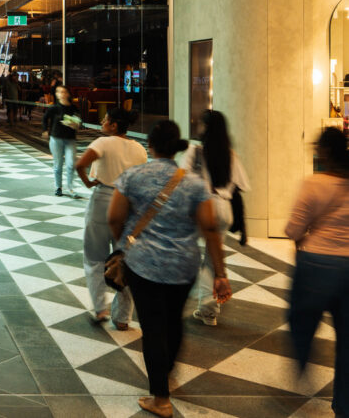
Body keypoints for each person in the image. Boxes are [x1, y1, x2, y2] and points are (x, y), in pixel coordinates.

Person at [107, 120, 232, 418]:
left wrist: (125, 243)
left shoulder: (132, 176)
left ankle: (160, 398)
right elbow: (210, 229)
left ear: (150, 144)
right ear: (176, 146)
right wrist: (220, 273)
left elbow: (114, 217)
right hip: (183, 266)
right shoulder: (193, 183)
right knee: (174, 320)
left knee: (152, 328)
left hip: (143, 265)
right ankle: (168, 369)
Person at [286, 127, 349, 418]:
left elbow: (293, 229)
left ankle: (302, 361)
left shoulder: (314, 183)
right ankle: (343, 406)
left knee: (300, 319)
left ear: (324, 151)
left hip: (315, 264)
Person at [75, 108, 147, 330]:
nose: (103, 122)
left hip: (103, 199)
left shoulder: (103, 143)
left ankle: (101, 309)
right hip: (128, 204)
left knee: (94, 258)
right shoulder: (139, 149)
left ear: (114, 125)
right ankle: (123, 318)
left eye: (106, 119)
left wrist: (88, 182)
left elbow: (80, 165)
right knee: (124, 259)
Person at [182, 110, 250, 327]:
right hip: (225, 209)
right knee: (212, 260)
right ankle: (209, 312)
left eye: (201, 123)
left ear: (206, 127)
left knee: (188, 252)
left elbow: (182, 178)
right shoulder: (230, 154)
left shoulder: (196, 151)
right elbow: (241, 186)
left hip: (203, 207)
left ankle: (195, 298)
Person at [42, 85, 81, 196]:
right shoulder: (54, 108)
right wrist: (45, 130)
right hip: (56, 138)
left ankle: (71, 188)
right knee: (58, 164)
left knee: (70, 164)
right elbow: (45, 118)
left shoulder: (74, 108)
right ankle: (58, 187)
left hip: (70, 139)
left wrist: (75, 124)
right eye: (59, 92)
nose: (62, 94)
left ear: (68, 94)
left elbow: (79, 122)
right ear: (57, 95)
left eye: (64, 92)